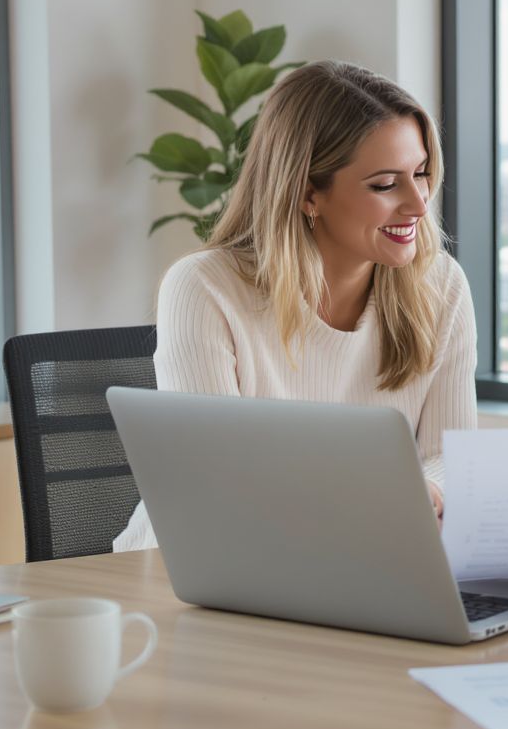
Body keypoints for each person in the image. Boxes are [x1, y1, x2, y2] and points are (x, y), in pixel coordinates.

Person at [114, 61, 477, 551]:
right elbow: (215, 484)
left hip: (352, 559)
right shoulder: (204, 288)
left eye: (421, 173)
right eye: (386, 184)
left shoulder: (442, 286)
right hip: (188, 571)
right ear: (309, 193)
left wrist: (427, 492)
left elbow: (452, 457)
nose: (419, 203)